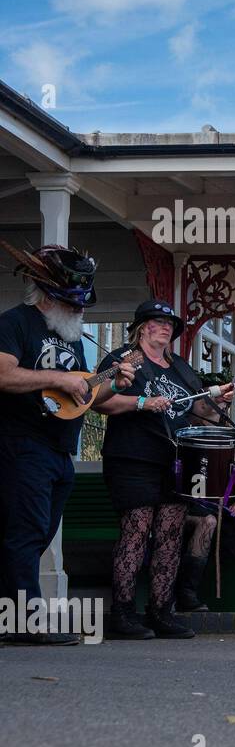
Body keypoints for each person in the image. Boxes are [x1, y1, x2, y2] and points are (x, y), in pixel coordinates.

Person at [0, 244, 137, 644]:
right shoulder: (15, 323)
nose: (79, 311)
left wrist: (112, 384)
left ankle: (11, 617)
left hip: (60, 452)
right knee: (24, 534)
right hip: (20, 443)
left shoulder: (72, 339)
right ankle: (27, 622)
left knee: (36, 535)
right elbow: (4, 375)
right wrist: (56, 379)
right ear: (46, 294)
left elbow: (86, 400)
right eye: (71, 303)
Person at [93, 298, 235, 640]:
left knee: (170, 536)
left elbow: (197, 413)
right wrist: (141, 402)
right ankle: (123, 614)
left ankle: (162, 612)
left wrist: (218, 403)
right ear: (142, 326)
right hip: (133, 457)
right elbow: (96, 398)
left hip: (173, 462)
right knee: (136, 532)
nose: (166, 327)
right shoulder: (124, 360)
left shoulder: (182, 368)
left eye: (170, 324)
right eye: (158, 322)